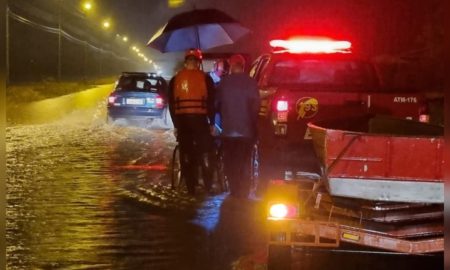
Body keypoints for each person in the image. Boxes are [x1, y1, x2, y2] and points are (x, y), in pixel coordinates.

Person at [168, 48, 216, 195]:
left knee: (186, 152)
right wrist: (212, 123)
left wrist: (176, 125)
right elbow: (211, 103)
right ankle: (208, 184)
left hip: (183, 122)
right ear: (197, 63)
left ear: (185, 62)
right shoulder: (206, 79)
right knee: (207, 151)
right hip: (200, 121)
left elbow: (171, 105)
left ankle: (190, 186)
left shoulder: (175, 80)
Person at [215, 54, 260, 198]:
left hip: (228, 131)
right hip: (246, 131)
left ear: (231, 66)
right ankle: (244, 190)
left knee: (230, 160)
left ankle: (234, 189)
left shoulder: (223, 83)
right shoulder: (251, 83)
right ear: (243, 66)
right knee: (245, 161)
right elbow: (256, 107)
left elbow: (216, 104)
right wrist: (254, 127)